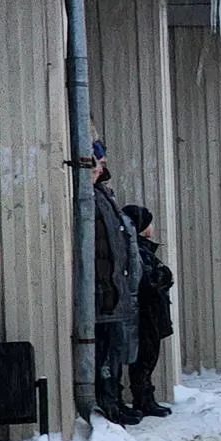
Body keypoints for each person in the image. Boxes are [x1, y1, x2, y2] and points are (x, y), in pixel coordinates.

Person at [90, 140, 143, 426]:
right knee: (105, 356)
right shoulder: (92, 197)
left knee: (115, 352)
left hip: (112, 291)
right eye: (99, 161)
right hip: (103, 292)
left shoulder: (103, 195)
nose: (102, 166)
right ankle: (108, 404)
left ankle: (116, 401)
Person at [121, 204, 174, 418]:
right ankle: (143, 400)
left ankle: (145, 398)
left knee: (148, 357)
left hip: (150, 311)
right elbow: (147, 283)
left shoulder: (142, 249)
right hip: (146, 312)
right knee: (145, 357)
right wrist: (163, 278)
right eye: (149, 222)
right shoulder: (138, 251)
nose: (152, 227)